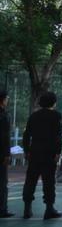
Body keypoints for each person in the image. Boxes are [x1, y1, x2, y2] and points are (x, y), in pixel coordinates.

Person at [22, 91, 62, 220]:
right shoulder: (56, 116)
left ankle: (27, 208)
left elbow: (26, 134)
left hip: (35, 152)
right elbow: (58, 136)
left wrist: (27, 150)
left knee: (30, 180)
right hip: (49, 153)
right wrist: (58, 152)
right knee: (49, 181)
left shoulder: (33, 116)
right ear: (54, 102)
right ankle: (49, 209)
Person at [0, 90, 13, 218]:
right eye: (7, 98)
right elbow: (5, 136)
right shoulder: (4, 115)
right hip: (1, 152)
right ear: (3, 100)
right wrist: (7, 154)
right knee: (2, 181)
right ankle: (2, 209)